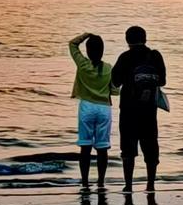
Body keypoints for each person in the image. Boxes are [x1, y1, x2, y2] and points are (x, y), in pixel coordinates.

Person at [111, 26, 166, 193]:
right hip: (149, 110)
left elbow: (115, 82)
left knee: (128, 149)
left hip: (128, 109)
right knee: (150, 147)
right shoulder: (155, 56)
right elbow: (162, 81)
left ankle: (128, 185)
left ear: (127, 40)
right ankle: (150, 184)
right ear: (145, 38)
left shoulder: (125, 57)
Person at [69, 33, 115, 190]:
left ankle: (85, 182)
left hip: (87, 107)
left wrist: (86, 35)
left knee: (85, 147)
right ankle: (101, 181)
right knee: (103, 148)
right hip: (104, 108)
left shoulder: (83, 65)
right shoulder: (108, 68)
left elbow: (72, 44)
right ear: (102, 51)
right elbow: (115, 91)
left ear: (88, 51)